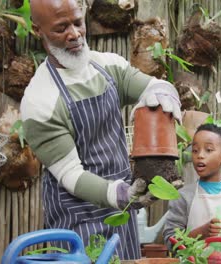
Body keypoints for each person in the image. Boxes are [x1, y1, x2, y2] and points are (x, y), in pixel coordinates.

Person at [20, 0, 181, 260]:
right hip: (77, 217)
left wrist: (163, 91)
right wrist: (120, 193)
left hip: (121, 211)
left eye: (77, 22)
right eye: (61, 28)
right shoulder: (40, 102)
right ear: (38, 30)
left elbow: (150, 87)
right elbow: (71, 174)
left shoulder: (106, 66)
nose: (74, 34)